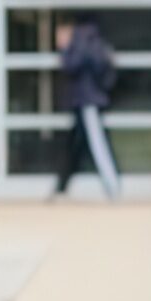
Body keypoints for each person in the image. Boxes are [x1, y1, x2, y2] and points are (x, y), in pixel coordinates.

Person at [51, 17, 122, 199]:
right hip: (85, 101)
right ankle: (61, 188)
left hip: (87, 102)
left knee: (98, 145)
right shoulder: (90, 40)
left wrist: (64, 47)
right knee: (74, 146)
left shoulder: (79, 43)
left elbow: (70, 65)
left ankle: (113, 186)